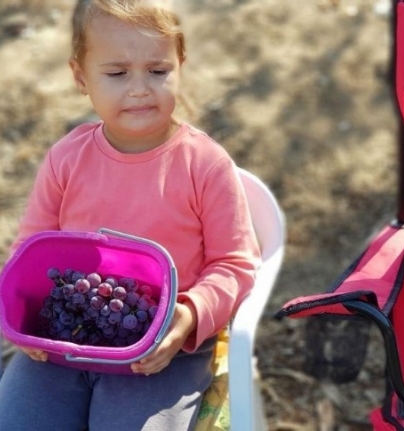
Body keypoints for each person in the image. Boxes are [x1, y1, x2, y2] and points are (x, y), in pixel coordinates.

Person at [0, 1, 261, 429]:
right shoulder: (66, 159)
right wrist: (21, 316)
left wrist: (190, 314)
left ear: (180, 65)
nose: (140, 88)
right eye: (117, 73)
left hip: (162, 352)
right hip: (63, 344)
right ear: (81, 77)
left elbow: (235, 263)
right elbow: (31, 251)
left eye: (158, 71)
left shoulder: (206, 165)